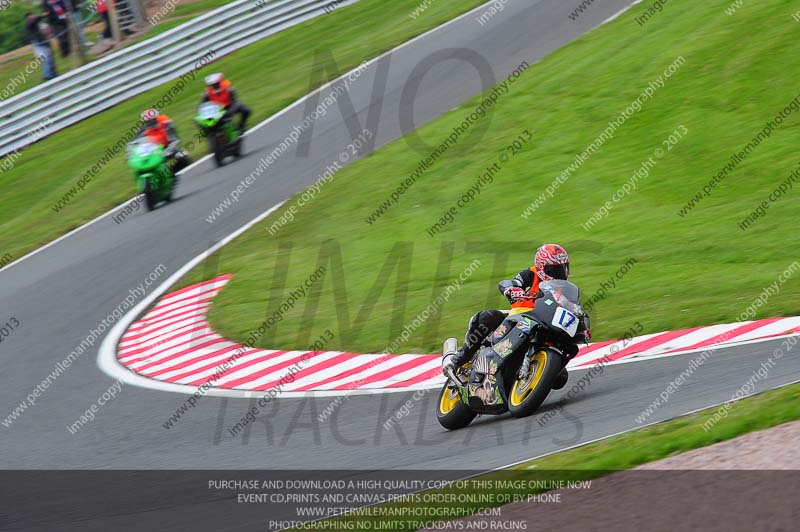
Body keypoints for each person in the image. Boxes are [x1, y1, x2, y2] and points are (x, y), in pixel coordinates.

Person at [444, 243, 580, 387]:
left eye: (563, 268)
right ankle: (459, 358)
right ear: (542, 267)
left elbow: (574, 309)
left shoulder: (565, 290)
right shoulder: (530, 274)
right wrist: (511, 289)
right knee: (488, 317)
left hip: (544, 324)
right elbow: (509, 282)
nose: (560, 273)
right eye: (555, 269)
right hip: (519, 317)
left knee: (560, 378)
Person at [134, 109, 192, 175]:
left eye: (153, 120)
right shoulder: (140, 130)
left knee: (182, 157)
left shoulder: (165, 122)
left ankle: (175, 172)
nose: (151, 123)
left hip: (168, 148)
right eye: (148, 121)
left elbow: (175, 140)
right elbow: (138, 145)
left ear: (157, 117)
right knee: (141, 169)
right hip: (152, 153)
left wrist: (166, 152)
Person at [24, 12, 58, 81]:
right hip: (39, 44)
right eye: (32, 15)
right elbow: (34, 20)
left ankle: (52, 73)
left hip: (42, 43)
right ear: (28, 17)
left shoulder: (34, 24)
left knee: (50, 58)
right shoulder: (29, 24)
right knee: (46, 59)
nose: (34, 16)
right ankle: (47, 75)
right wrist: (42, 15)